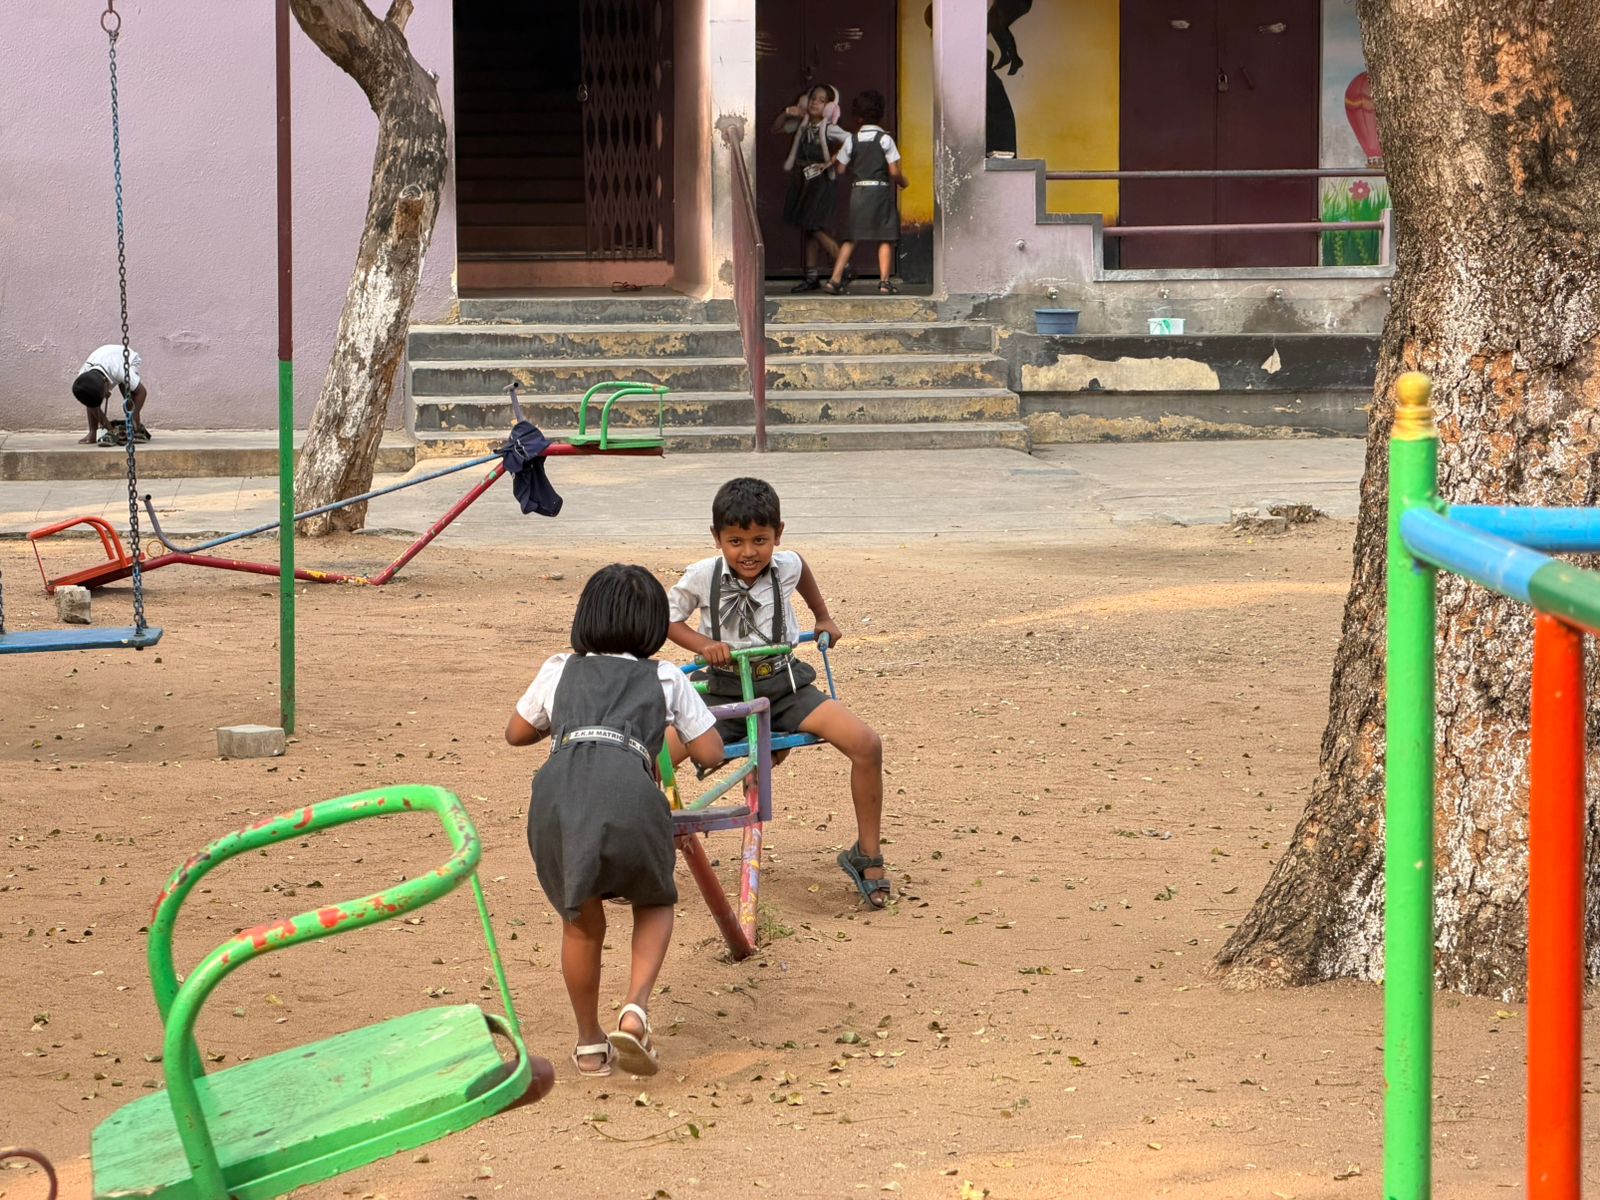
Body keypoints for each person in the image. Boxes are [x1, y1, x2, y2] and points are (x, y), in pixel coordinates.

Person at [506, 564, 725, 1078]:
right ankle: (635, 1009)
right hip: (630, 792)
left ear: (585, 617)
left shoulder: (560, 668)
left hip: (558, 797)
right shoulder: (665, 676)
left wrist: (567, 726)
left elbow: (516, 733)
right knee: (654, 899)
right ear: (652, 626)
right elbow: (711, 751)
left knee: (580, 924)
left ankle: (588, 1044)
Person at [665, 477, 890, 908]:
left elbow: (802, 568)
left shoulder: (786, 565)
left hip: (786, 686)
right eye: (735, 541)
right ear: (717, 539)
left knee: (867, 743)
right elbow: (667, 621)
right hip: (723, 691)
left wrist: (823, 617)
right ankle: (633, 852)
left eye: (760, 540)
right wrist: (703, 646)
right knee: (656, 757)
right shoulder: (701, 575)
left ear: (778, 535)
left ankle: (867, 853)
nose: (748, 552)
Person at [823, 90, 910, 296]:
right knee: (886, 237)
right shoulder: (885, 139)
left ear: (858, 117)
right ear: (881, 114)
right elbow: (894, 171)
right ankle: (884, 283)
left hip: (859, 192)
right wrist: (903, 182)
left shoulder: (852, 140)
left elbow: (841, 169)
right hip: (880, 191)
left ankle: (834, 280)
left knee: (851, 237)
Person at [774, 83, 851, 292]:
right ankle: (812, 276)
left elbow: (851, 141)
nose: (816, 103)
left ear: (829, 107)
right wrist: (788, 112)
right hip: (803, 181)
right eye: (813, 98)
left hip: (820, 183)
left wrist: (831, 161)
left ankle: (844, 266)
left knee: (814, 227)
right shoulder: (802, 125)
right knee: (808, 229)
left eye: (822, 100)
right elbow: (777, 127)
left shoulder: (829, 128)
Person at [72, 343, 150, 446]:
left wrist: (133, 415)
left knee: (126, 390)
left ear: (106, 383)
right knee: (90, 398)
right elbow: (90, 403)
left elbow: (141, 392)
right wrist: (109, 429)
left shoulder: (121, 370)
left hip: (126, 358)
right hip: (105, 358)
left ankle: (136, 427)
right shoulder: (84, 377)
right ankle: (92, 433)